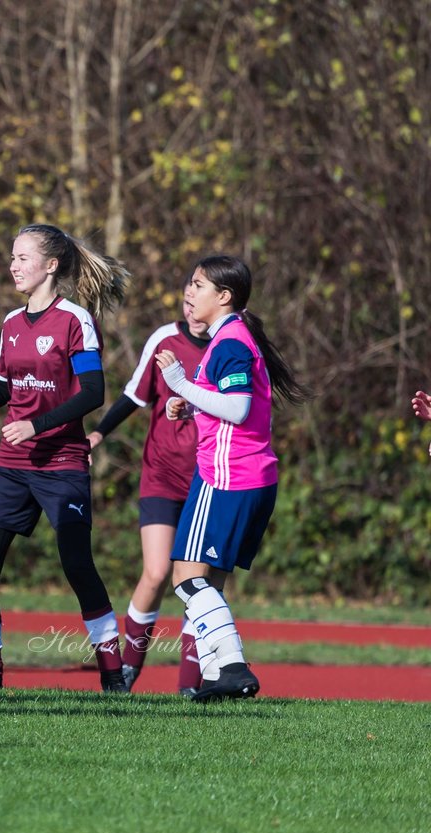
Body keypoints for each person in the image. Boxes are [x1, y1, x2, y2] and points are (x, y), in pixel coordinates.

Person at [0, 223, 130, 692]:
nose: (14, 266)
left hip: (63, 463)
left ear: (51, 266)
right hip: (12, 465)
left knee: (76, 564)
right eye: (12, 257)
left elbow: (93, 392)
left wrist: (37, 425)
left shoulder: (74, 320)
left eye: (23, 257)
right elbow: (5, 387)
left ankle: (114, 674)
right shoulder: (12, 324)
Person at [155, 255, 308, 702]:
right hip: (248, 476)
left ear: (224, 297)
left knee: (185, 577)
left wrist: (181, 386)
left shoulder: (231, 343)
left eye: (199, 285)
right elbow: (231, 402)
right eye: (190, 282)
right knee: (211, 581)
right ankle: (216, 680)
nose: (188, 291)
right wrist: (191, 403)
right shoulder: (231, 339)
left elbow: (239, 410)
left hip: (227, 479)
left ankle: (234, 669)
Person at [88, 295, 210, 695]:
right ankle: (126, 670)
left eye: (200, 292)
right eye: (188, 292)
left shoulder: (231, 345)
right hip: (161, 474)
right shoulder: (164, 340)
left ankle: (190, 686)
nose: (191, 302)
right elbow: (133, 396)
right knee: (157, 572)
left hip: (208, 478)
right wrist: (99, 433)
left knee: (195, 582)